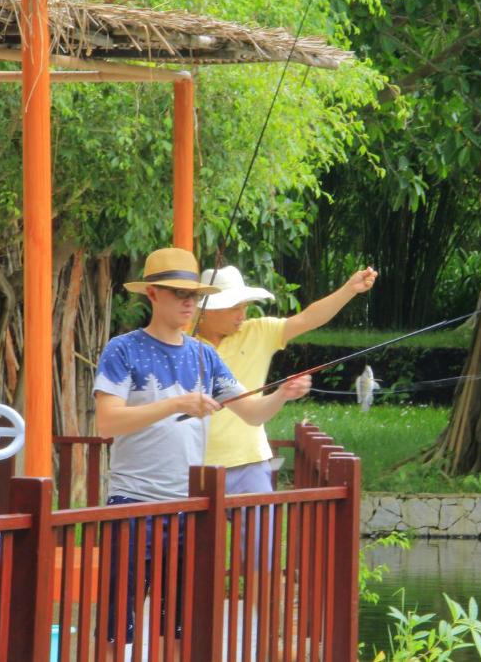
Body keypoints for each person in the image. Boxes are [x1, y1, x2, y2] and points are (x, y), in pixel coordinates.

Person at [92, 247, 311, 657]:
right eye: (179, 293)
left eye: (193, 294)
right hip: (131, 504)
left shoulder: (205, 356)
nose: (188, 302)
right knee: (116, 628)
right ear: (152, 294)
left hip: (187, 508)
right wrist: (176, 403)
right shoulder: (122, 349)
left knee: (178, 628)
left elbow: (251, 413)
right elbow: (107, 422)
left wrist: (282, 394)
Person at [196, 264, 377, 495]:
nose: (242, 315)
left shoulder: (258, 331)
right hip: (195, 465)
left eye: (244, 306)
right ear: (209, 309)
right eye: (234, 308)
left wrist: (349, 289)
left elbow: (308, 318)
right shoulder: (184, 344)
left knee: (260, 521)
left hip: (250, 461)